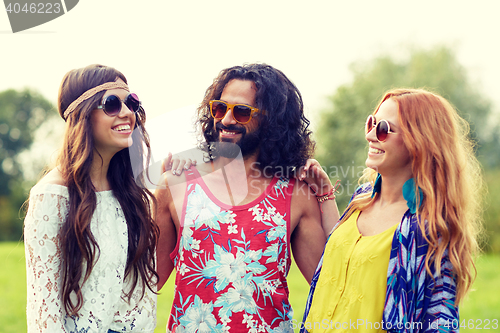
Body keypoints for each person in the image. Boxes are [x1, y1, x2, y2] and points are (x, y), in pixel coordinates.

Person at [155, 63, 338, 333]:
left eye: (241, 112)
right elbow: (149, 281)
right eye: (219, 108)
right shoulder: (176, 184)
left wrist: (325, 195)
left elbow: (327, 285)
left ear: (272, 121)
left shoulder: (296, 194)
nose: (226, 120)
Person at [299, 88, 483, 332]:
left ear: (419, 141)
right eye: (371, 124)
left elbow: (441, 318)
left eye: (383, 128)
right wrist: (325, 194)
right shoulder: (362, 198)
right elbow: (337, 260)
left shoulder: (431, 226)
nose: (371, 136)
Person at [24, 64, 159, 332]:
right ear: (82, 115)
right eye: (111, 104)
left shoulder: (131, 194)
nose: (126, 112)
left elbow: (140, 296)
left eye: (131, 102)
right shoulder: (52, 195)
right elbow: (44, 312)